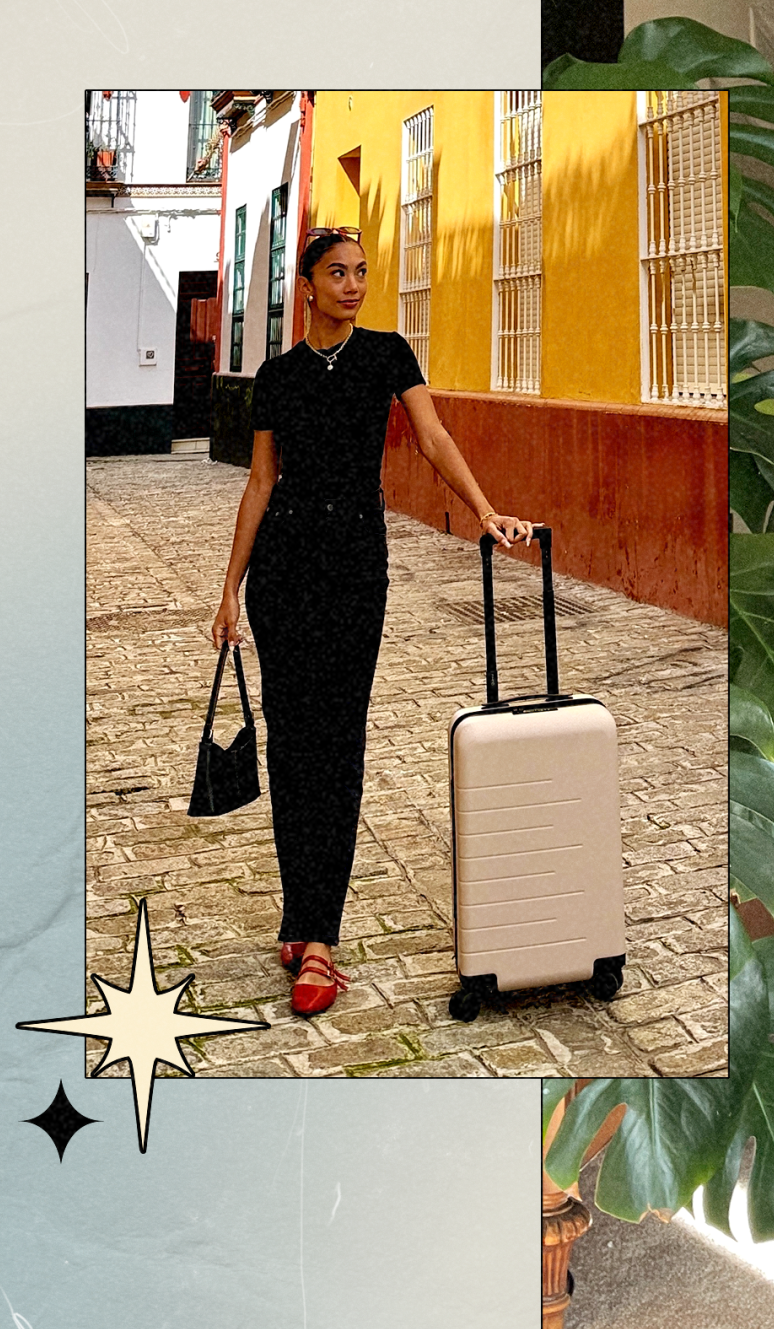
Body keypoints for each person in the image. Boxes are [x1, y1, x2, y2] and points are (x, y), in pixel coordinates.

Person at [209, 228, 532, 1017]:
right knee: (291, 744)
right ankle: (301, 916)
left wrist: (486, 512)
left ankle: (320, 936)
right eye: (337, 273)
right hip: (282, 571)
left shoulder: (388, 355)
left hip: (355, 567)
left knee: (339, 740)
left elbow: (433, 439)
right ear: (308, 286)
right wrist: (227, 592)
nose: (353, 285)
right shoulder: (276, 377)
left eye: (361, 273)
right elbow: (259, 483)